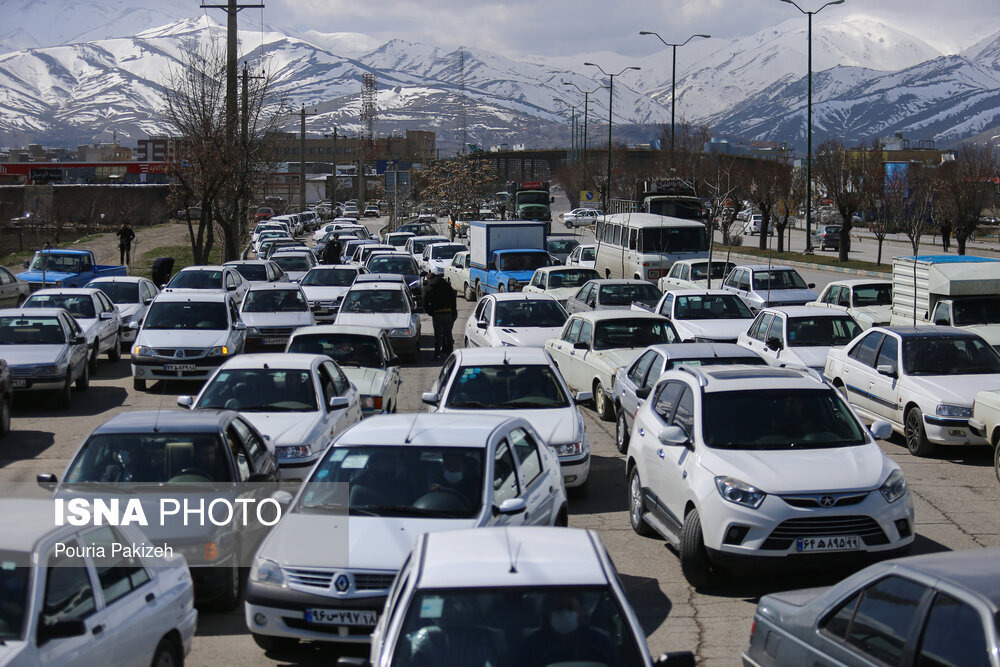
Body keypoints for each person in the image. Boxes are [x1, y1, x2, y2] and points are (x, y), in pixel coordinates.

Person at [515, 592, 618, 667]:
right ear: (548, 613)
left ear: (581, 614)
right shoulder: (531, 645)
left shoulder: (599, 642)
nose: (564, 612)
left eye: (570, 608)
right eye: (558, 608)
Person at [422, 272, 458, 359]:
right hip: (448, 313)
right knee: (448, 334)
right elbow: (453, 300)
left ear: (429, 279)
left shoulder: (428, 289)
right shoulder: (447, 286)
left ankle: (437, 354)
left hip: (437, 314)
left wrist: (430, 312)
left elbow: (424, 303)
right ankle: (450, 354)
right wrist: (453, 312)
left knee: (438, 335)